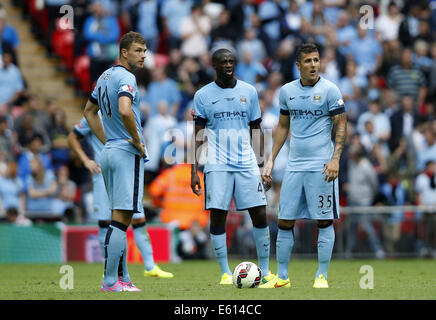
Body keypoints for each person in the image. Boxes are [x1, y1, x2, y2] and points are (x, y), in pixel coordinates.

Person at [260, 43, 348, 289]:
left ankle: (321, 275)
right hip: (294, 166)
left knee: (323, 221)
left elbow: (341, 124)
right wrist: (270, 160)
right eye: (308, 61)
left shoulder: (330, 90)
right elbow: (283, 126)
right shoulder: (287, 91)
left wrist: (335, 159)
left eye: (316, 60)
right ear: (298, 65)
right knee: (285, 220)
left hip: (322, 167)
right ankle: (283, 277)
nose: (313, 65)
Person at [190, 48, 274, 285]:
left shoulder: (249, 91)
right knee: (218, 215)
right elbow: (197, 134)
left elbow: (256, 130)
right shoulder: (203, 95)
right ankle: (226, 272)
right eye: (223, 61)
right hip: (216, 162)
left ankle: (265, 271)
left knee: (259, 212)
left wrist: (262, 167)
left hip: (246, 160)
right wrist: (194, 170)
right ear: (214, 66)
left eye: (231, 61)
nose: (228, 65)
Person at [68, 113, 173, 279]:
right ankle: (110, 270)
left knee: (138, 219)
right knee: (106, 223)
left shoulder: (126, 110)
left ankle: (150, 266)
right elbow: (73, 137)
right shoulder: (95, 115)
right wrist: (86, 160)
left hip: (126, 173)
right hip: (102, 174)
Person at [83, 31, 148, 292]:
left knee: (118, 218)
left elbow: (89, 112)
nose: (144, 55)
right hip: (124, 153)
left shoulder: (105, 76)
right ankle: (110, 281)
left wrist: (107, 138)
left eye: (144, 50)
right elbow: (124, 109)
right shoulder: (127, 77)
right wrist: (136, 140)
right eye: (138, 51)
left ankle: (123, 279)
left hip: (109, 150)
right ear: (124, 52)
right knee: (121, 219)